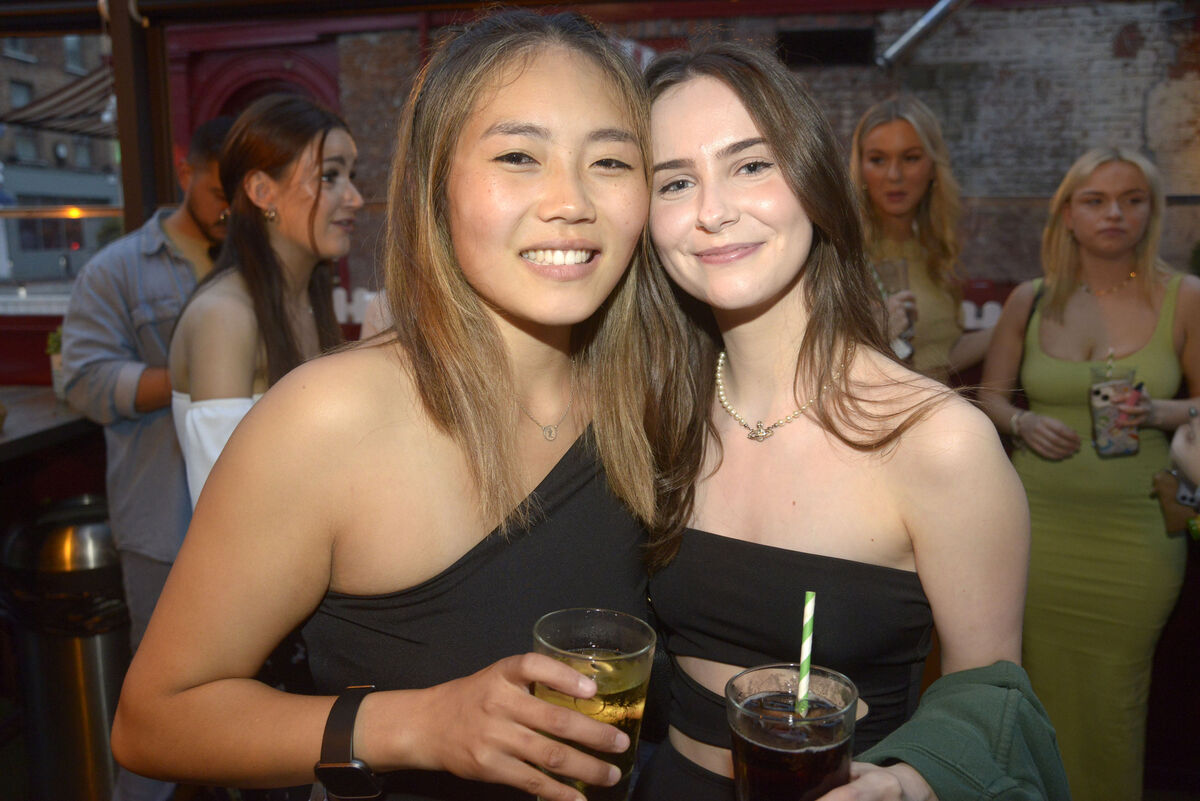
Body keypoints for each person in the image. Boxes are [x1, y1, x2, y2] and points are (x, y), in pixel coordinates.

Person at [112, 11, 666, 801]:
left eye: (610, 160)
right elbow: (152, 720)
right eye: (518, 155)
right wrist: (420, 724)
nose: (571, 200)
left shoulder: (648, 398)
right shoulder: (327, 421)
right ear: (434, 185)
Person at [633, 44, 1065, 800]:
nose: (711, 210)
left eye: (751, 164)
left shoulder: (938, 441)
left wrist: (907, 783)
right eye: (675, 180)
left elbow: (995, 700)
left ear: (815, 182)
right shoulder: (653, 413)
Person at [979, 147, 1200, 800]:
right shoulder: (1031, 297)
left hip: (1135, 536)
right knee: (1034, 693)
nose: (1115, 212)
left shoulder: (1184, 298)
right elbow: (990, 396)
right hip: (1035, 530)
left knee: (1114, 698)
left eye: (1132, 199)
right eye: (1096, 199)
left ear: (1152, 213)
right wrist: (1021, 423)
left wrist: (1158, 409)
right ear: (1068, 213)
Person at [60, 115, 231, 801]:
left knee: (241, 699)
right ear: (185, 170)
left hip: (250, 524)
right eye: (218, 190)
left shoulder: (258, 265)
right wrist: (199, 372)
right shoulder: (115, 269)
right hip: (163, 524)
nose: (229, 210)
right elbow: (82, 381)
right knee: (156, 708)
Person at [169, 94, 361, 507]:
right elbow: (228, 508)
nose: (354, 198)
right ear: (261, 190)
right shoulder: (225, 317)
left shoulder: (307, 299)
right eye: (330, 177)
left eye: (352, 176)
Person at [850, 95, 992, 384]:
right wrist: (867, 337)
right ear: (861, 168)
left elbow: (937, 357)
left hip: (941, 419)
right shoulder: (843, 255)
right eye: (878, 159)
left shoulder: (936, 249)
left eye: (910, 158)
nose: (894, 175)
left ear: (932, 168)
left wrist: (1022, 319)